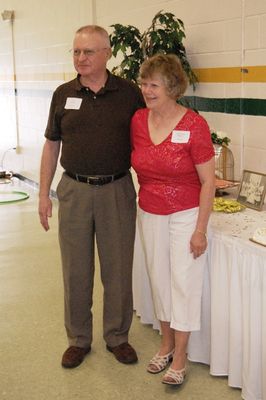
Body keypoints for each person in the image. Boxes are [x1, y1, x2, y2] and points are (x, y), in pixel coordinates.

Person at [38, 25, 145, 369]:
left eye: (87, 52)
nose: (79, 59)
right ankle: (78, 339)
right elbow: (51, 144)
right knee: (75, 270)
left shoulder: (129, 94)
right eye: (75, 52)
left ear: (107, 54)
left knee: (117, 269)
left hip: (117, 189)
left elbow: (147, 140)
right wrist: (43, 194)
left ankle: (117, 336)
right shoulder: (63, 93)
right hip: (74, 190)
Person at [131, 54, 215, 386]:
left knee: (184, 284)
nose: (147, 90)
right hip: (149, 210)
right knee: (159, 281)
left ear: (172, 87)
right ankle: (165, 343)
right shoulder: (138, 120)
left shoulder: (194, 124)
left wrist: (200, 230)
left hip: (185, 213)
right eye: (144, 83)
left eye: (154, 85)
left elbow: (208, 181)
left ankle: (180, 355)